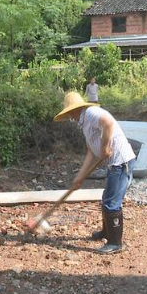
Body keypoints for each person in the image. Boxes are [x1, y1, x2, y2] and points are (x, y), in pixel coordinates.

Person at [54, 92, 136, 254]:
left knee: (111, 203)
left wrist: (105, 147)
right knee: (106, 198)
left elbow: (108, 123)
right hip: (114, 164)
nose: (70, 117)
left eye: (70, 113)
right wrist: (80, 176)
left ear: (74, 110)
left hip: (121, 162)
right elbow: (91, 152)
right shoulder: (84, 124)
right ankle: (106, 232)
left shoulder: (91, 113)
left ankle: (115, 243)